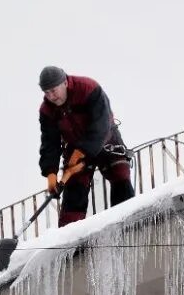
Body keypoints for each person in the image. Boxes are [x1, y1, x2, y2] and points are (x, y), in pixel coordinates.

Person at [37, 66, 136, 226]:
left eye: (54, 90)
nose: (51, 96)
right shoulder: (47, 110)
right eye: (46, 93)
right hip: (73, 145)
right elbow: (50, 143)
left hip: (106, 140)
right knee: (74, 191)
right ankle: (69, 241)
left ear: (65, 83)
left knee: (120, 175)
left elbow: (101, 126)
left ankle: (126, 222)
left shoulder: (89, 89)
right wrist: (51, 173)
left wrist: (83, 153)